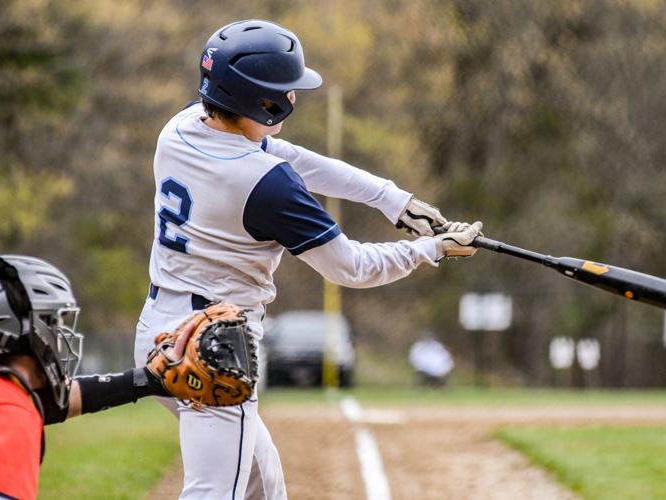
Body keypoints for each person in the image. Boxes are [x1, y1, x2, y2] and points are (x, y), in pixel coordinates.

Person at [133, 19, 483, 500]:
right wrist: (431, 250)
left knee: (263, 483)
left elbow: (292, 157)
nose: (293, 98)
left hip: (159, 324)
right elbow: (351, 268)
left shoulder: (181, 127)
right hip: (215, 345)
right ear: (263, 100)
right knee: (215, 492)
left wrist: (393, 200)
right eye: (285, 90)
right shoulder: (268, 185)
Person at [0, 255, 192, 500]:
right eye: (51, 322)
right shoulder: (6, 414)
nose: (58, 336)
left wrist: (149, 379)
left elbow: (55, 402)